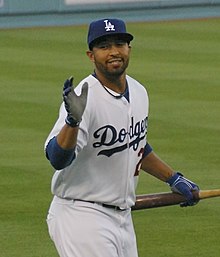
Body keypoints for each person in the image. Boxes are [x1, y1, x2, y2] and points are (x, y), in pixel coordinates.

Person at [44, 18, 199, 257]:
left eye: (120, 43)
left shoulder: (139, 91)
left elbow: (135, 146)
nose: (114, 51)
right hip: (82, 216)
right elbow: (58, 158)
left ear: (129, 49)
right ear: (91, 55)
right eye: (104, 46)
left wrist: (173, 178)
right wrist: (72, 122)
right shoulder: (82, 98)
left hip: (123, 218)